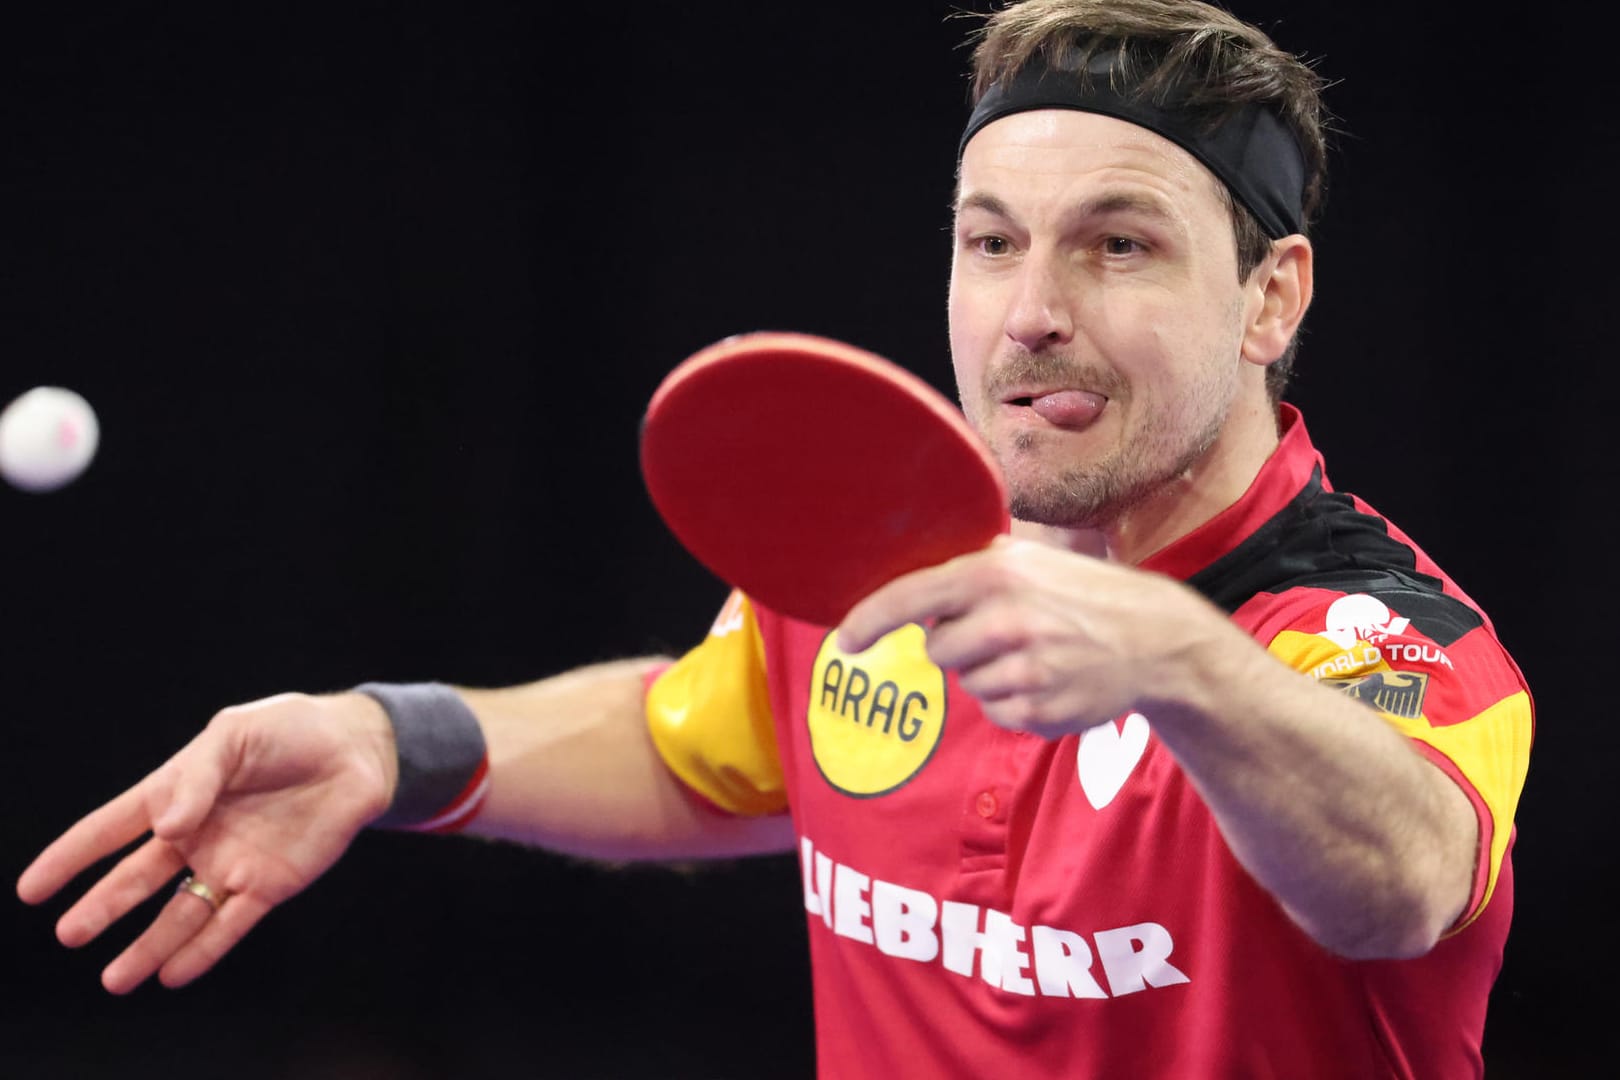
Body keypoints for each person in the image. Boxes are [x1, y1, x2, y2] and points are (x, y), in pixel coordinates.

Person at [17, 1, 1533, 1076]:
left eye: (1118, 244)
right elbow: (705, 749)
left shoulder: (1376, 633)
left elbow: (1400, 876)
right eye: (991, 239)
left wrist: (1182, 665)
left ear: (1273, 297)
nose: (1032, 312)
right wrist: (392, 744)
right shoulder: (888, 549)